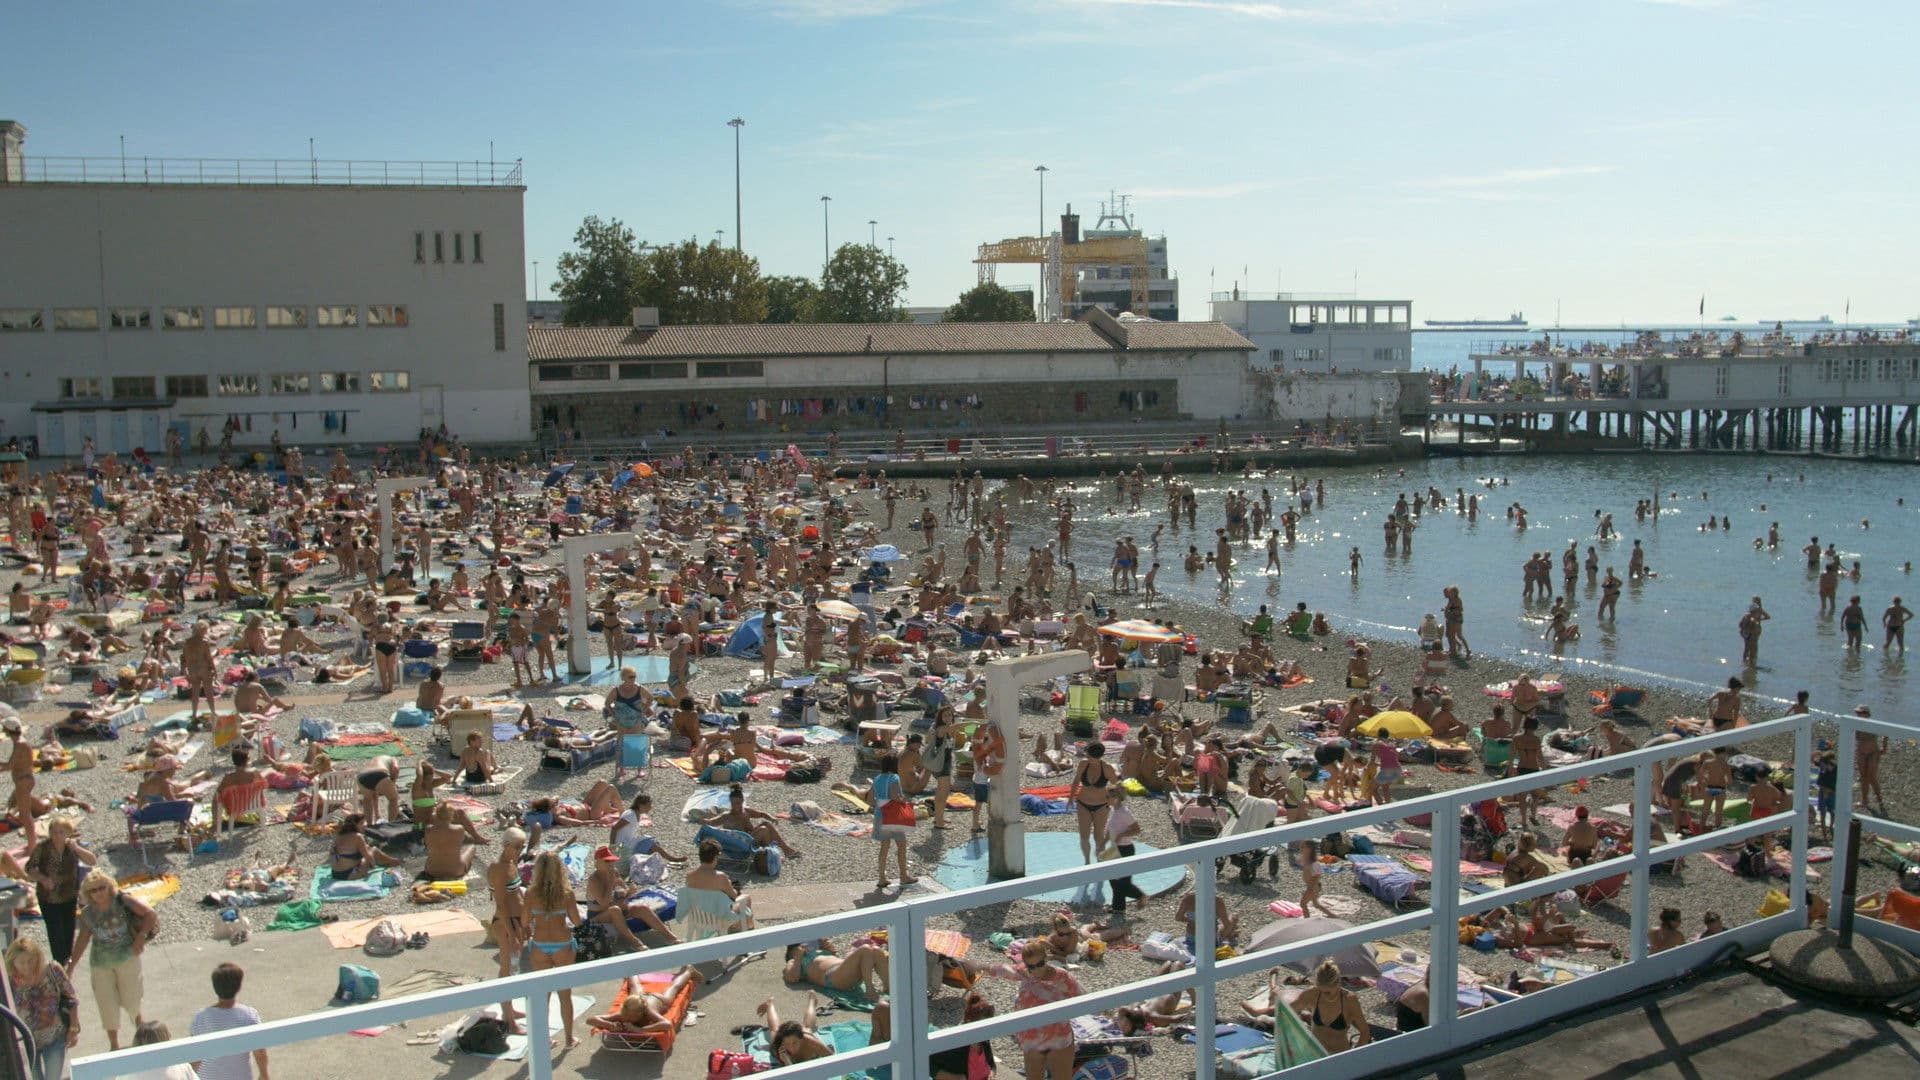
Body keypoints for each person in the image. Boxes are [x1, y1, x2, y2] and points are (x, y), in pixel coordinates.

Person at [67, 868, 158, 1050]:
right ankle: (114, 1045)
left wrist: (141, 936)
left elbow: (150, 914)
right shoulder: (87, 914)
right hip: (101, 963)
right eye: (93, 890)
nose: (99, 893)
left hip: (127, 958)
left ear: (109, 886)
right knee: (107, 1005)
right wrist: (72, 965)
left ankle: (143, 1035)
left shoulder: (123, 901)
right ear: (88, 893)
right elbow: (83, 938)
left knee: (132, 1000)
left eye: (101, 888)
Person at [982, 939, 1082, 1080]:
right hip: (1032, 1038)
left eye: (1040, 964)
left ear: (1046, 959)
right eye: (1031, 966)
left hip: (1058, 1037)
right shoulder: (1024, 973)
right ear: (1025, 965)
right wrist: (972, 965)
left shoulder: (1062, 977)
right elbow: (998, 970)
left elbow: (1082, 996)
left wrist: (1103, 1009)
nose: (1036, 970)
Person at [524, 851, 582, 1047]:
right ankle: (568, 1038)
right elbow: (576, 921)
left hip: (539, 944)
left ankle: (544, 1039)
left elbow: (525, 921)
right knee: (565, 995)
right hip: (562, 945)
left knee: (543, 996)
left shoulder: (531, 894)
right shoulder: (566, 894)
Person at [6, 936, 79, 1080]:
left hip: (54, 1036)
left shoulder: (52, 970)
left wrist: (73, 1028)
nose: (27, 966)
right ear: (12, 962)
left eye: (30, 961)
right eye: (21, 962)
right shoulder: (8, 982)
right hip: (25, 1042)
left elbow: (71, 998)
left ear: (37, 957)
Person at [26, 812, 93, 965]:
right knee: (55, 932)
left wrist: (77, 848)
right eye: (54, 832)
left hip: (69, 895)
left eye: (61, 832)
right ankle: (59, 964)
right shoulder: (43, 848)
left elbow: (92, 860)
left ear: (68, 833)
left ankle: (67, 962)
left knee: (68, 930)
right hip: (48, 897)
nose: (57, 835)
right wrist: (43, 879)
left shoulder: (72, 847)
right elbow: (29, 868)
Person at [189, 962, 268, 1080]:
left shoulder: (200, 1017)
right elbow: (260, 1053)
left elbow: (195, 1056)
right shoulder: (249, 1016)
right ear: (239, 986)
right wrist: (264, 1074)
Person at [587, 966, 704, 1037]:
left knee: (674, 988)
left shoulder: (648, 1012)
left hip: (658, 999)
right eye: (626, 1016)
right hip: (639, 997)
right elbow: (590, 1020)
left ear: (640, 1014)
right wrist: (609, 1025)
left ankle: (689, 971)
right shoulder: (624, 1014)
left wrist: (640, 1030)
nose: (626, 1019)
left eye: (629, 1018)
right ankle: (632, 970)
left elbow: (667, 1024)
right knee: (634, 985)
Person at [1293, 960, 1371, 1055]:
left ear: (1338, 984)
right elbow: (1287, 1011)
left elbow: (1365, 1032)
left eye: (1328, 992)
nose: (1324, 995)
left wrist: (1354, 1056)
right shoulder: (1313, 993)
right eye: (1321, 990)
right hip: (1314, 1053)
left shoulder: (1349, 1000)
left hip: (1338, 1055)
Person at [782, 936, 891, 998]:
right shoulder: (794, 961)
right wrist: (799, 956)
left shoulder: (817, 951)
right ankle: (870, 990)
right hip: (832, 977)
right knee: (866, 949)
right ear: (792, 950)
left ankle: (888, 986)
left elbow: (833, 959)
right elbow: (792, 978)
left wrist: (828, 948)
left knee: (876, 951)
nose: (807, 947)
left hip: (844, 970)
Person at [1070, 741, 1117, 865]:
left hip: (1101, 806)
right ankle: (1087, 862)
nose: (1087, 758)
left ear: (1098, 757)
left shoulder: (1107, 768)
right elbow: (1076, 782)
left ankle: (1100, 863)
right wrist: (1070, 798)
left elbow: (1117, 785)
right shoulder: (1083, 764)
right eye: (1087, 756)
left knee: (1098, 837)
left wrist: (1112, 799)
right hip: (1083, 803)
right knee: (1084, 836)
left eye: (1089, 756)